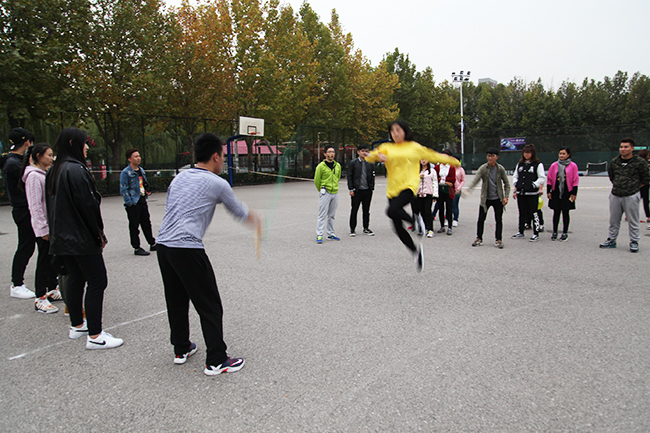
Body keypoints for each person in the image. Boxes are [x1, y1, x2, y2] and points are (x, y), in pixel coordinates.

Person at [156, 133, 262, 376]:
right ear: (215, 156)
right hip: (187, 247)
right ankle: (216, 360)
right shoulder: (218, 182)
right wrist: (254, 218)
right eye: (223, 157)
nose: (223, 161)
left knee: (176, 299)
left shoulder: (179, 178)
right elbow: (237, 211)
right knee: (210, 304)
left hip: (164, 246)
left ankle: (181, 348)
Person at [46, 127, 123, 349]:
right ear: (73, 143)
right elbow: (88, 206)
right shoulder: (76, 170)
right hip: (80, 237)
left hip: (63, 237)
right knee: (98, 280)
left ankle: (77, 324)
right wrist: (98, 233)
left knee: (77, 278)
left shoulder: (55, 169)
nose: (87, 147)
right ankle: (96, 335)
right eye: (85, 143)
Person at [366, 120, 459, 272]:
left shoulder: (414, 147)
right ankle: (416, 252)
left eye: (398, 130)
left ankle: (415, 220)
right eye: (392, 131)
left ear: (405, 131)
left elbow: (433, 155)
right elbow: (370, 156)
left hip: (409, 186)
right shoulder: (387, 147)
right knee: (397, 227)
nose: (395, 133)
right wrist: (376, 157)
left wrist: (453, 161)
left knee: (390, 211)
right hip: (392, 190)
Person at [22, 143, 62, 313]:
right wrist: (42, 229)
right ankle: (40, 297)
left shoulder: (45, 174)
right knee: (44, 260)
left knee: (53, 258)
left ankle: (52, 288)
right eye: (49, 155)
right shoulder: (33, 176)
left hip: (52, 224)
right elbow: (35, 205)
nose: (52, 158)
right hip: (43, 227)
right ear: (38, 156)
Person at [1, 128, 37, 299]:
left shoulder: (15, 161)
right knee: (26, 246)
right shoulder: (14, 164)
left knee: (37, 244)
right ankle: (17, 284)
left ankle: (51, 278)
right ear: (27, 142)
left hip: (26, 208)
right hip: (23, 210)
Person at [600, 138, 649, 252]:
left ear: (632, 148)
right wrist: (618, 185)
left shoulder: (640, 162)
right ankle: (611, 240)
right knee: (614, 220)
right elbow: (611, 176)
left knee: (633, 220)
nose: (623, 149)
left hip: (631, 194)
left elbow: (645, 178)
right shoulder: (614, 162)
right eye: (621, 147)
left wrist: (634, 187)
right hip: (616, 194)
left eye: (626, 147)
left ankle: (634, 241)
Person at [466, 148, 510, 249]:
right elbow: (476, 179)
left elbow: (507, 184)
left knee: (498, 219)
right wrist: (469, 189)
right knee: (481, 219)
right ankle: (479, 238)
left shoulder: (500, 169)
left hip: (498, 198)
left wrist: (506, 197)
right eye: (488, 156)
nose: (490, 158)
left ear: (497, 157)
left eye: (492, 156)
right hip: (485, 198)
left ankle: (498, 239)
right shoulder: (483, 168)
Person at [120, 148, 156, 256]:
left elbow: (142, 184)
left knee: (146, 223)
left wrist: (146, 191)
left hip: (142, 199)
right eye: (135, 156)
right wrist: (129, 203)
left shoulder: (141, 170)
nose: (138, 158)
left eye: (139, 156)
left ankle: (152, 243)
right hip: (133, 202)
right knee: (134, 225)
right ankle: (136, 247)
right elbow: (123, 189)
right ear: (129, 159)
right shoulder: (126, 173)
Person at [512, 144, 546, 242]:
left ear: (532, 153)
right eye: (525, 152)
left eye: (529, 152)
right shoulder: (520, 164)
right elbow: (515, 176)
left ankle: (536, 233)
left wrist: (534, 185)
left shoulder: (538, 164)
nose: (526, 154)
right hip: (521, 193)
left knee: (534, 213)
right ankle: (521, 231)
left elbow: (542, 177)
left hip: (532, 194)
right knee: (522, 213)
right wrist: (516, 184)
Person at [546, 147, 579, 241]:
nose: (561, 155)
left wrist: (574, 193)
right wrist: (549, 191)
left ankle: (565, 232)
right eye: (560, 153)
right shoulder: (554, 165)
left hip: (567, 191)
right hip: (556, 191)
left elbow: (575, 180)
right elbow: (549, 179)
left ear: (568, 155)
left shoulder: (573, 166)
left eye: (564, 154)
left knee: (565, 212)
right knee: (556, 212)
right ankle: (555, 231)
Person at [314, 145, 342, 243]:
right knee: (322, 214)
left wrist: (334, 187)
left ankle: (330, 233)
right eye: (329, 152)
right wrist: (322, 189)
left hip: (335, 192)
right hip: (325, 191)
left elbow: (337, 177)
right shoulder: (321, 166)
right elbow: (317, 180)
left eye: (333, 152)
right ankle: (319, 234)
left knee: (332, 215)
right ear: (325, 154)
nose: (331, 154)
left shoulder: (337, 165)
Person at [347, 144, 375, 237]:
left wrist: (372, 187)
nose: (364, 153)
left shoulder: (370, 163)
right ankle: (352, 229)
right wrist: (351, 189)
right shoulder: (353, 163)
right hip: (357, 190)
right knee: (354, 209)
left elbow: (372, 176)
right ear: (358, 152)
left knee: (366, 210)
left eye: (366, 151)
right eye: (362, 151)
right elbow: (350, 176)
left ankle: (366, 228)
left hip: (367, 190)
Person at [412, 160, 438, 238]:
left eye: (425, 159)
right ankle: (425, 227)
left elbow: (435, 182)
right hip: (419, 193)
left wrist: (435, 194)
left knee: (427, 211)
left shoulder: (432, 171)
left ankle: (430, 229)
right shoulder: (417, 170)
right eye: (422, 159)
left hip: (428, 193)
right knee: (421, 211)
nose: (423, 161)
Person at [434, 150, 456, 235]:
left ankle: (450, 226)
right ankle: (442, 226)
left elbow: (452, 179)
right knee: (440, 208)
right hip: (440, 189)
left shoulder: (451, 167)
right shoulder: (437, 167)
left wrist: (443, 180)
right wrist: (445, 180)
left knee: (449, 208)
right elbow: (435, 178)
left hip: (448, 190)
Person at [637, 149, 650, 227]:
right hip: (643, 184)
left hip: (643, 184)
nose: (649, 156)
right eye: (648, 155)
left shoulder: (642, 162)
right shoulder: (641, 163)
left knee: (636, 200)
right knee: (645, 200)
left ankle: (628, 215)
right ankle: (648, 216)